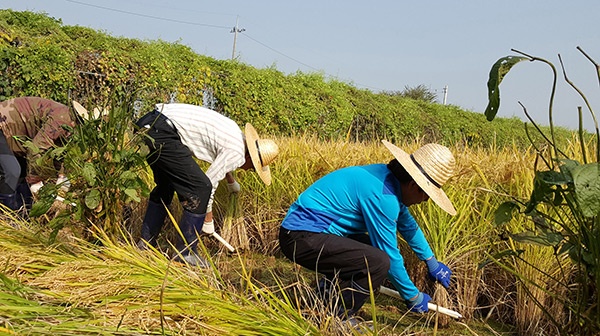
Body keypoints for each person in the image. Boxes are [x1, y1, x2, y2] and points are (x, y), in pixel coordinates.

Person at [278, 140, 456, 321]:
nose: (426, 199)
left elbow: (408, 226)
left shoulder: (387, 180)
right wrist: (412, 296)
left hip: (306, 233)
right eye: (426, 193)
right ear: (412, 185)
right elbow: (390, 256)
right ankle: (338, 317)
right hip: (300, 237)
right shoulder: (382, 196)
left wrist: (431, 261)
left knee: (368, 249)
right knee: (378, 261)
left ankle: (324, 298)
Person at [135, 103, 279, 267]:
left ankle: (145, 245)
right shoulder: (238, 154)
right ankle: (185, 253)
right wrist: (208, 221)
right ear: (250, 159)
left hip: (149, 125)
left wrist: (231, 181)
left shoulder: (236, 136)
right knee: (200, 188)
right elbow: (209, 183)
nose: (248, 170)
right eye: (253, 169)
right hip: (163, 132)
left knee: (166, 185)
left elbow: (221, 158)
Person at [0, 97, 75, 213]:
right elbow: (36, 148)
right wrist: (35, 180)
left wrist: (61, 177)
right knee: (12, 171)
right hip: (2, 123)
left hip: (15, 134)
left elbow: (59, 151)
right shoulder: (62, 120)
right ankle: (5, 215)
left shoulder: (70, 126)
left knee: (23, 175)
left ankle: (22, 215)